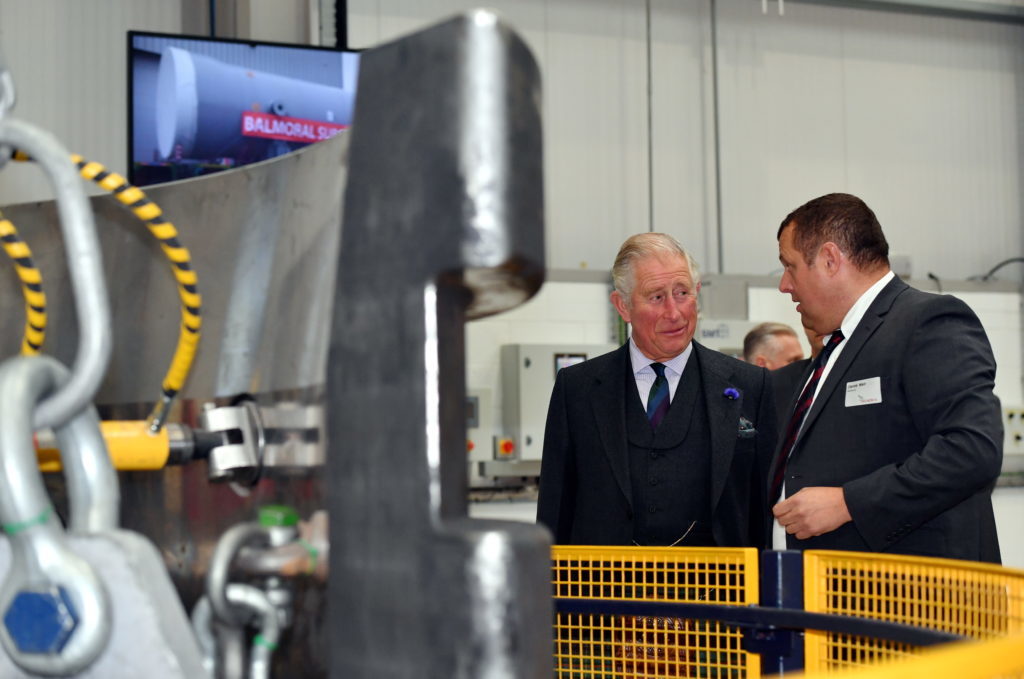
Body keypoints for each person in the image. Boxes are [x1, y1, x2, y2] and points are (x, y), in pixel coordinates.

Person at [771, 192, 1003, 562]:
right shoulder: (837, 346)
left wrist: (849, 503)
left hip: (918, 602)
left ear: (830, 259)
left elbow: (971, 450)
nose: (784, 285)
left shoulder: (929, 321)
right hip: (837, 596)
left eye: (790, 266)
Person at [536, 233, 778, 548]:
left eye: (682, 293)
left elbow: (762, 510)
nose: (675, 312)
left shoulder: (750, 385)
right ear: (622, 306)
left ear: (697, 293)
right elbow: (556, 509)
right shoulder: (577, 390)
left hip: (715, 588)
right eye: (656, 297)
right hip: (607, 589)